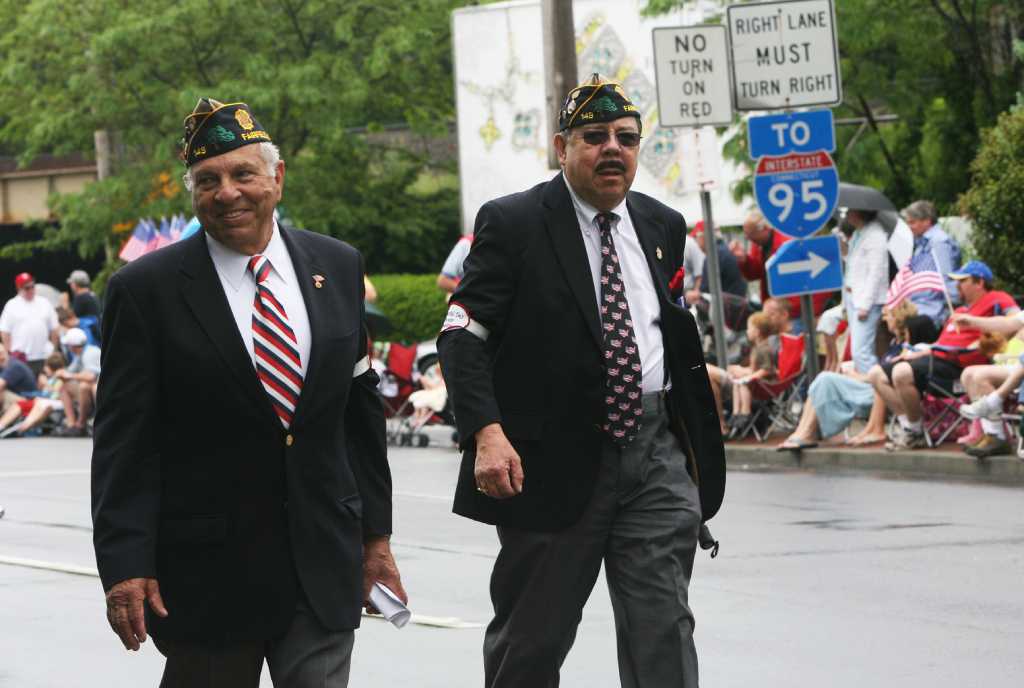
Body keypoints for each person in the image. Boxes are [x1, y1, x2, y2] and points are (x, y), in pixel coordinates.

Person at [91, 98, 404, 687]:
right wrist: (126, 565)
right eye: (208, 180)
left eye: (243, 174)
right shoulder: (145, 291)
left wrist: (376, 541)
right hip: (206, 580)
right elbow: (124, 443)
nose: (227, 192)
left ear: (277, 179)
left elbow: (360, 422)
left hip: (322, 565)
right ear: (192, 193)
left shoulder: (337, 266)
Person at [437, 74, 725, 688]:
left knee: (663, 625)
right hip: (549, 458)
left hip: (654, 455)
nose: (612, 149)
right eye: (594, 137)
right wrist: (486, 433)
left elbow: (661, 328)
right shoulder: (513, 223)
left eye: (626, 137)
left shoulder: (662, 226)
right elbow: (462, 336)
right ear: (561, 146)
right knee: (533, 640)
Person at [869, 261, 1019, 450]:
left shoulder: (997, 298)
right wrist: (919, 352)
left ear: (979, 283)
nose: (957, 286)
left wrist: (989, 336)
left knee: (901, 373)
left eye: (963, 281)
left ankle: (915, 432)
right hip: (935, 357)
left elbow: (1016, 320)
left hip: (958, 365)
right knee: (876, 374)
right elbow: (940, 345)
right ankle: (910, 427)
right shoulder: (958, 311)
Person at [776, 305, 935, 450]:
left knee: (826, 379)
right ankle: (802, 432)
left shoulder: (909, 349)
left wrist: (856, 377)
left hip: (882, 394)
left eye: (889, 316)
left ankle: (807, 434)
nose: (884, 319)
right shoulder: (893, 344)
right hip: (874, 387)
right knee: (823, 379)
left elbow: (882, 376)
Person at [729, 211, 832, 333]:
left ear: (764, 229)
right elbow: (756, 273)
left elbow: (803, 279)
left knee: (793, 340)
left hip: (794, 312)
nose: (748, 239)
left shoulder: (787, 244)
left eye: (751, 235)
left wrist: (786, 309)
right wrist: (744, 260)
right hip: (779, 311)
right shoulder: (759, 244)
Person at [952, 310, 1024, 457]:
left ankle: (998, 436)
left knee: (980, 376)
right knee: (968, 374)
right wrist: (972, 321)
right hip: (1017, 363)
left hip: (1019, 366)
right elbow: (1006, 323)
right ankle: (990, 432)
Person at [843, 208, 889, 373]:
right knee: (859, 350)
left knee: (861, 352)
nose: (847, 215)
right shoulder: (858, 233)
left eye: (850, 211)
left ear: (859, 213)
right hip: (852, 296)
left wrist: (865, 305)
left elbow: (876, 272)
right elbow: (854, 266)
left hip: (865, 301)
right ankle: (869, 389)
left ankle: (877, 390)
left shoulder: (875, 236)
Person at [901, 200, 962, 327]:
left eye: (912, 222)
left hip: (932, 311)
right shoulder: (921, 243)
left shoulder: (939, 243)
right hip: (919, 307)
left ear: (927, 221)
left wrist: (949, 312)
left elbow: (945, 277)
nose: (909, 227)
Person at [723, 312, 779, 436]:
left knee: (743, 383)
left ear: (757, 332)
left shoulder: (764, 349)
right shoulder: (756, 347)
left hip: (765, 385)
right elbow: (754, 369)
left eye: (749, 328)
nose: (747, 331)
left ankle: (745, 412)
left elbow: (767, 370)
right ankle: (736, 413)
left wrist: (749, 377)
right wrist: (740, 371)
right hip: (757, 382)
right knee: (738, 382)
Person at [0, 272, 59, 375]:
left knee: (46, 386)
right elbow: (5, 331)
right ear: (19, 288)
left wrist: (54, 349)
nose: (31, 290)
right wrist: (9, 352)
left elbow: (54, 328)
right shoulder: (12, 305)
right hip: (21, 357)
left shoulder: (44, 302)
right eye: (27, 288)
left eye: (32, 286)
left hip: (43, 356)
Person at [51, 327, 100, 437]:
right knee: (64, 387)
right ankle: (71, 424)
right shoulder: (80, 355)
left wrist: (69, 375)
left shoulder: (90, 353)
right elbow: (68, 371)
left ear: (72, 345)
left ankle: (80, 424)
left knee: (84, 386)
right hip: (91, 391)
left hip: (97, 390)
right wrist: (62, 373)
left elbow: (91, 376)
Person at [684, 220, 746, 305]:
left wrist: (689, 296)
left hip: (727, 311)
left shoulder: (713, 256)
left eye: (696, 238)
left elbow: (705, 292)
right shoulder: (724, 250)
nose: (696, 242)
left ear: (703, 237)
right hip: (737, 305)